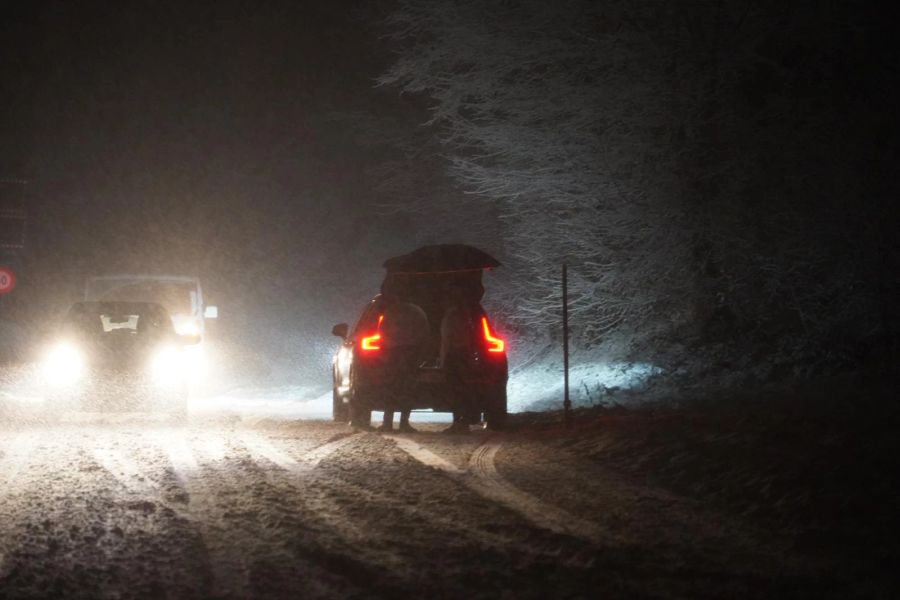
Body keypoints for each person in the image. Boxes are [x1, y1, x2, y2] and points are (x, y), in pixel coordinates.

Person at [378, 295, 429, 433]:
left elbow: (381, 333)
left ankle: (387, 422)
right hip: (410, 354)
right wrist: (420, 355)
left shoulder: (389, 312)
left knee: (391, 388)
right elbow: (424, 333)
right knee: (407, 389)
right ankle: (404, 423)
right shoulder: (417, 312)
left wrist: (384, 353)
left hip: (393, 354)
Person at [439, 284, 475, 434]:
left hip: (454, 355)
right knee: (463, 389)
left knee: (454, 390)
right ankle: (464, 422)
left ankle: (457, 422)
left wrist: (442, 359)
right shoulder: (466, 315)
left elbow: (447, 339)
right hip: (465, 354)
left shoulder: (451, 317)